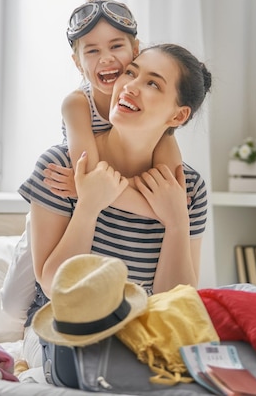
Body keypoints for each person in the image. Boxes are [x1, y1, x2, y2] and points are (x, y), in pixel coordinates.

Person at [17, 43, 211, 377]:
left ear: (178, 116)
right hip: (62, 328)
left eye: (152, 83)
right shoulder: (61, 166)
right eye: (131, 72)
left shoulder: (188, 188)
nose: (130, 86)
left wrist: (177, 223)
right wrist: (89, 206)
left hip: (144, 330)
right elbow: (52, 285)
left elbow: (173, 300)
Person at [43, 0, 182, 215]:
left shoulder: (153, 112)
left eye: (116, 46)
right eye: (92, 51)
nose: (106, 58)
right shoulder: (77, 105)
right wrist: (88, 187)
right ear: (78, 63)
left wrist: (85, 188)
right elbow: (89, 179)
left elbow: (173, 186)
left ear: (135, 50)